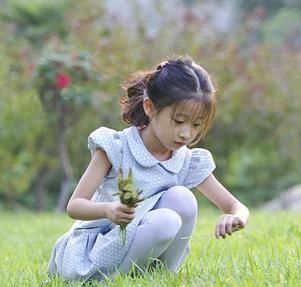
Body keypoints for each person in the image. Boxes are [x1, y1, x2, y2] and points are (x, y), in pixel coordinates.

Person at [47, 56, 249, 281]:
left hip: (142, 242)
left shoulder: (186, 160)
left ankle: (162, 277)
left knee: (182, 198)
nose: (186, 133)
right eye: (179, 120)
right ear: (150, 107)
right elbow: (75, 206)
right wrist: (108, 210)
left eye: (196, 124)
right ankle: (112, 282)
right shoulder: (117, 147)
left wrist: (235, 217)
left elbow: (235, 206)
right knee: (167, 220)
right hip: (99, 249)